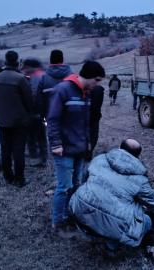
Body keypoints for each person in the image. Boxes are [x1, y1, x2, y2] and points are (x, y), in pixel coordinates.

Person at [69, 139, 154, 251]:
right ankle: (110, 244)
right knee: (147, 221)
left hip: (80, 221)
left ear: (119, 148)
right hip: (104, 230)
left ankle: (100, 236)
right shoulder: (139, 180)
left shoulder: (99, 159)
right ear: (137, 157)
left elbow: (83, 181)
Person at [47, 61, 105, 237]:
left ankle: (70, 215)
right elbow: (53, 119)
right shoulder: (62, 90)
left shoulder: (86, 93)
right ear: (87, 76)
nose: (98, 84)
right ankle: (58, 223)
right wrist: (56, 144)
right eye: (96, 79)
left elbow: (86, 122)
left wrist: (88, 143)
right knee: (64, 186)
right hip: (64, 149)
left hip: (79, 148)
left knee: (76, 186)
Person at [0, 50, 33, 187]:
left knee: (5, 149)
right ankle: (19, 178)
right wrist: (29, 115)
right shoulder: (20, 79)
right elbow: (28, 100)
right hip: (19, 121)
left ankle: (8, 176)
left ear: (5, 62)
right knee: (18, 150)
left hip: (2, 120)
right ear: (17, 63)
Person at [21, 58, 47, 167]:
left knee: (30, 135)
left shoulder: (28, 77)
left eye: (26, 67)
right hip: (41, 111)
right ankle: (43, 155)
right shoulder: (45, 75)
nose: (25, 69)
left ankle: (34, 157)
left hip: (30, 111)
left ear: (31, 67)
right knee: (41, 134)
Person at [36, 50, 74, 120]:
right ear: (62, 59)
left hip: (50, 116)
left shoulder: (43, 78)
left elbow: (40, 100)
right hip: (69, 117)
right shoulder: (72, 75)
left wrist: (43, 116)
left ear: (51, 60)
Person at [88, 85, 104, 160]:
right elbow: (96, 107)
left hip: (88, 117)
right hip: (92, 118)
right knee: (92, 138)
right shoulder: (97, 89)